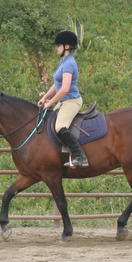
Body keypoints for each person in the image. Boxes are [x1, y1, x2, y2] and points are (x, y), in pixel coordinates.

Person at [37, 30, 89, 167]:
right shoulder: (63, 62)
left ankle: (81, 157)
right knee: (49, 123)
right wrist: (45, 97)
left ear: (67, 46)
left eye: (58, 45)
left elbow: (65, 89)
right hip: (63, 101)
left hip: (71, 101)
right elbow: (57, 84)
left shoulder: (69, 63)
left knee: (60, 127)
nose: (56, 48)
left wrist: (50, 103)